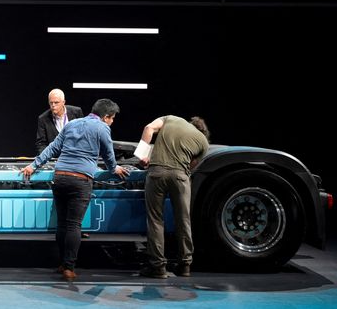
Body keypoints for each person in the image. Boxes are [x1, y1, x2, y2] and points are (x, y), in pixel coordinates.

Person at [21, 99, 128, 281]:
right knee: (73, 225)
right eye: (112, 118)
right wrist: (114, 169)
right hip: (80, 180)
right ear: (105, 116)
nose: (112, 122)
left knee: (62, 224)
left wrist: (33, 165)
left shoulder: (72, 124)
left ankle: (63, 263)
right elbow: (109, 156)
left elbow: (53, 148)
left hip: (60, 176)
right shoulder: (103, 128)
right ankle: (69, 268)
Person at [138, 115, 210, 279]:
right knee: (183, 220)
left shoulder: (171, 119)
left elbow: (149, 128)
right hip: (181, 177)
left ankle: (157, 267)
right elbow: (192, 166)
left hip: (157, 173)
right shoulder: (204, 143)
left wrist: (142, 156)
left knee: (156, 220)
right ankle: (185, 265)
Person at [36, 88, 84, 154]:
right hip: (54, 158)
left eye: (56, 102)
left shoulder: (76, 112)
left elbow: (83, 135)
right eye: (51, 103)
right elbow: (41, 143)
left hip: (75, 155)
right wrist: (45, 158)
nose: (53, 105)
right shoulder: (43, 119)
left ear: (63, 102)